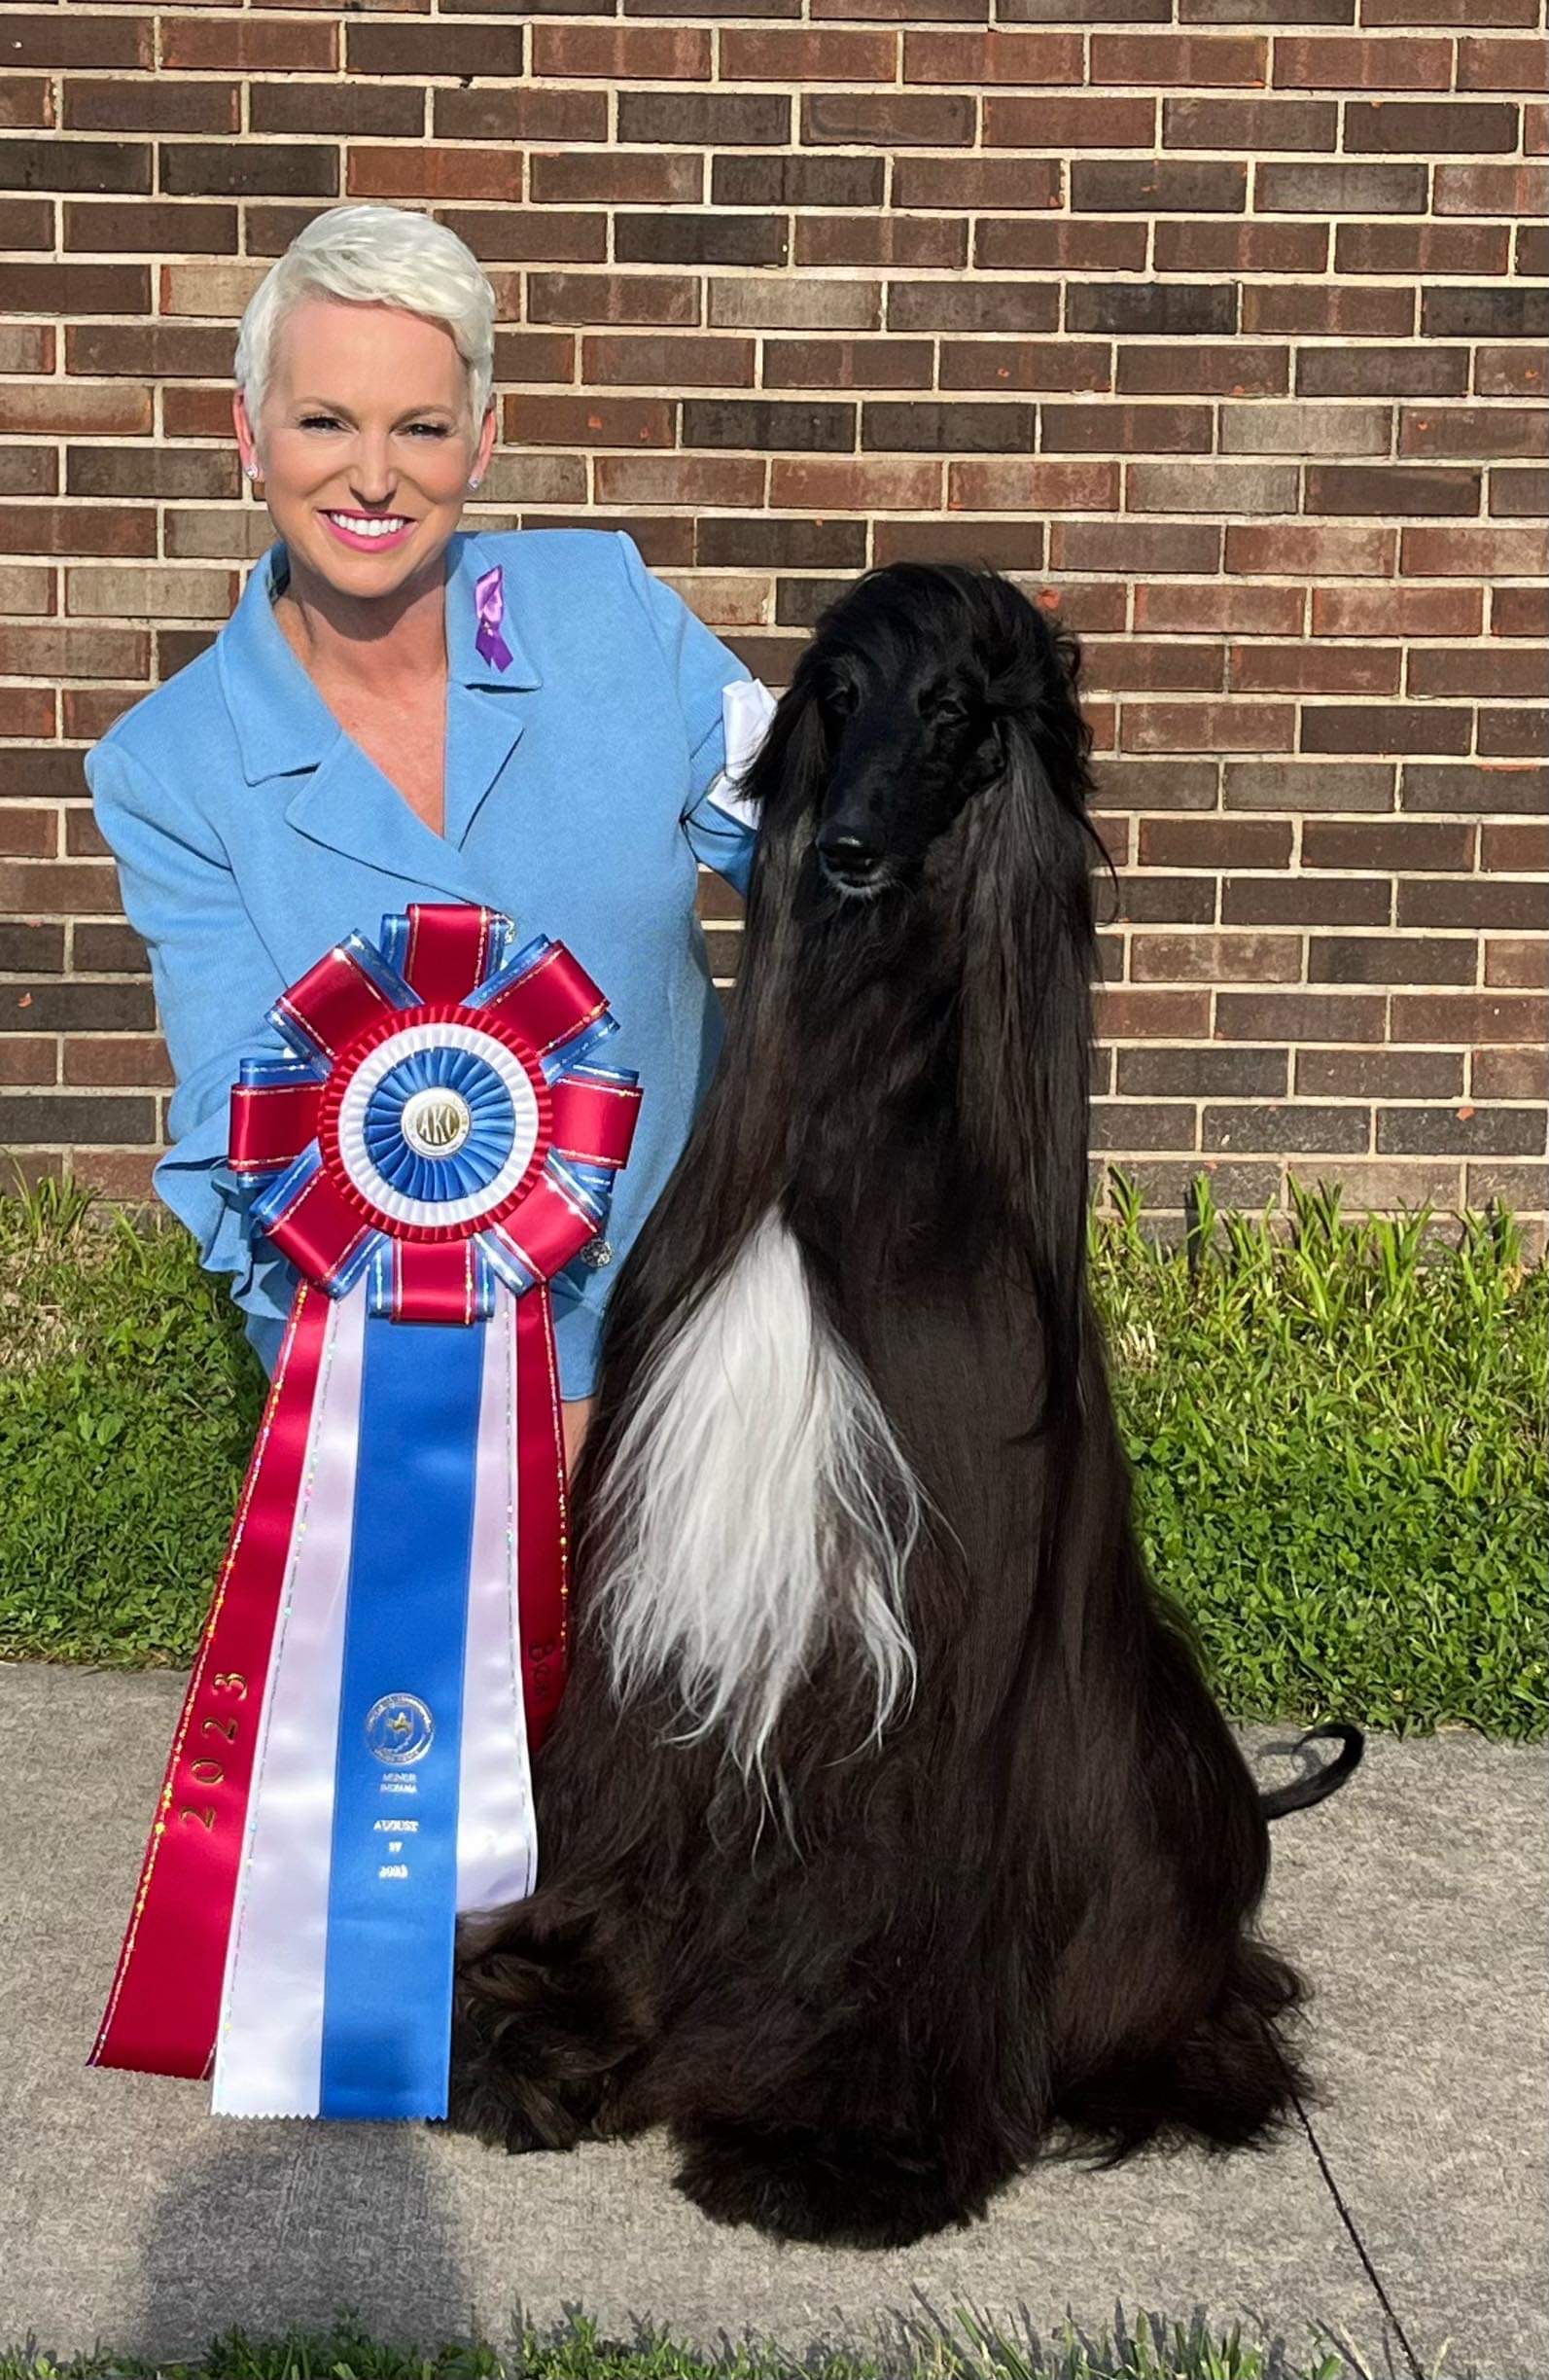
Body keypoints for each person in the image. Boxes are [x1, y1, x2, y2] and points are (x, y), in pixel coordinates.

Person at [86, 202, 776, 1480]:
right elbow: (240, 1135)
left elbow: (821, 849)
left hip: (713, 1347)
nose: (371, 476)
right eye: (323, 421)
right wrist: (423, 1419)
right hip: (418, 1408)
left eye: (420, 426)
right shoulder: (168, 769)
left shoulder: (610, 608)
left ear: (483, 439)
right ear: (247, 434)